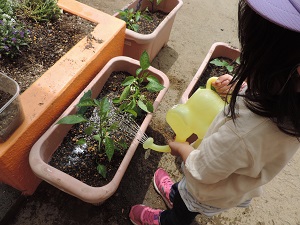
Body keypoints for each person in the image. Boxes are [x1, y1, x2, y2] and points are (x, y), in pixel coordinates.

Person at [129, 0, 300, 224]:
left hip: (209, 190)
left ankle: (169, 218)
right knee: (186, 193)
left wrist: (182, 149)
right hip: (232, 181)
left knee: (186, 207)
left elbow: (202, 170)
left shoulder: (243, 134)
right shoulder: (288, 103)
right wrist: (243, 89)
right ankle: (177, 195)